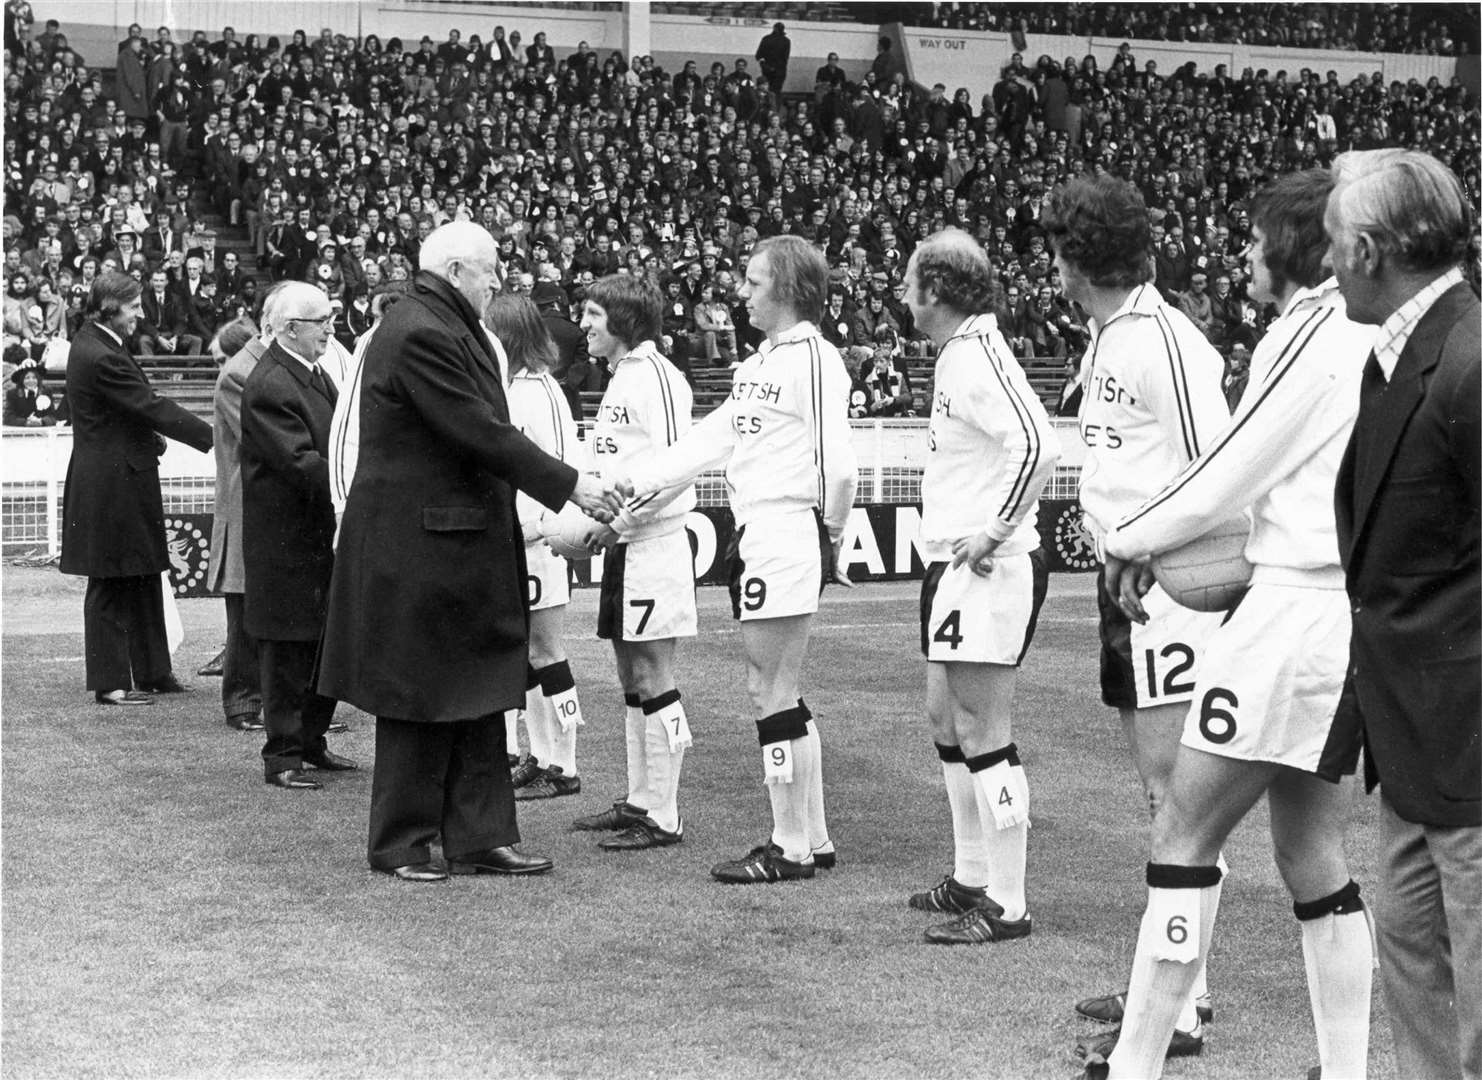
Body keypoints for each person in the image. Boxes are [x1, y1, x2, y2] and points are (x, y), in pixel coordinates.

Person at [1081, 168, 1379, 1079]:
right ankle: (1345, 1069)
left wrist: (1127, 541)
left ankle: (1140, 1059)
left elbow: (1228, 470)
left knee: (1183, 829)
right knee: (1311, 854)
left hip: (1291, 611)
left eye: (1255, 238)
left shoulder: (1309, 327)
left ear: (1296, 245)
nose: (1244, 253)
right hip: (1336, 612)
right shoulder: (1359, 332)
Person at [318, 222, 619, 883]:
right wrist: (574, 486)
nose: (497, 282)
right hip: (425, 542)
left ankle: (479, 835)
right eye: (489, 271)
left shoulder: (443, 323)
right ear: (456, 270)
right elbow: (479, 432)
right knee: (420, 695)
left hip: (453, 540)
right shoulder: (421, 330)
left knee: (477, 690)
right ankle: (400, 842)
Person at [1043, 175, 1232, 1055]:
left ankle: (1180, 1004)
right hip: (1128, 582)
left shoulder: (1168, 342)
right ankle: (1170, 982)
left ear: (1078, 257)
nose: (1049, 265)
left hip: (1170, 590)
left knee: (1176, 794)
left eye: (1055, 249)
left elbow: (1215, 466)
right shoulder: (1110, 335)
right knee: (1159, 791)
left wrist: (1151, 552)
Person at [616, 235, 857, 883]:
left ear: (791, 289)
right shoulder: (761, 365)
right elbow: (708, 439)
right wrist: (633, 483)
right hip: (758, 534)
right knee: (779, 688)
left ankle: (789, 845)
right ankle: (812, 837)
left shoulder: (814, 359)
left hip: (785, 529)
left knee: (767, 687)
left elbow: (840, 463)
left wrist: (828, 534)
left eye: (754, 282)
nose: (741, 293)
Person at [1329, 149, 1480, 1080]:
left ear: (1376, 249)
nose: (1328, 262)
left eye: (1338, 244)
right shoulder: (1400, 360)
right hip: (1417, 753)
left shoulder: (1467, 362)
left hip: (1470, 754)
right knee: (1417, 976)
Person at [901, 229, 1060, 946]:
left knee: (983, 729)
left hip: (988, 566)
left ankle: (1010, 901)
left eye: (909, 283)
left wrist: (995, 530)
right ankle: (971, 875)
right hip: (953, 563)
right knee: (946, 718)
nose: (903, 295)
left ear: (935, 290)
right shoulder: (958, 356)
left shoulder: (975, 356)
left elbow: (1039, 443)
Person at [570, 274, 697, 851]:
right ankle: (640, 800)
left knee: (654, 675)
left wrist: (614, 523)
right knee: (630, 674)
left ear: (622, 318)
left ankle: (665, 815)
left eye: (593, 314)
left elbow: (676, 467)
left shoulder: (658, 377)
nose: (585, 325)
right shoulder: (623, 375)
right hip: (626, 544)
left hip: (654, 545)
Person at [59, 272, 213, 705]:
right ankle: (110, 682)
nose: (141, 314)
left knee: (144, 572)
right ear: (111, 306)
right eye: (134, 306)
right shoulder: (99, 352)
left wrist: (151, 438)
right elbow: (147, 404)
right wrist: (212, 435)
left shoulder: (99, 343)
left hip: (126, 475)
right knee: (110, 578)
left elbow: (126, 412)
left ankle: (153, 672)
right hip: (112, 483)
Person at [239, 282, 356, 790]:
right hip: (287, 543)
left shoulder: (309, 374)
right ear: (290, 328)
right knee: (287, 652)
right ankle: (282, 755)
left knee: (319, 645)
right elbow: (297, 462)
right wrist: (356, 486)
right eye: (322, 321)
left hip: (314, 538)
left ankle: (310, 741)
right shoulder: (270, 384)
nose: (331, 328)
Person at [485, 294, 590, 805]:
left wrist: (543, 524)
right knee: (526, 653)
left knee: (548, 651)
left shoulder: (539, 391)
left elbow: (561, 463)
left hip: (540, 539)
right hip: (515, 537)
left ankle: (565, 765)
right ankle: (539, 755)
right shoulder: (513, 390)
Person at [204, 300, 275, 731]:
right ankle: (242, 703)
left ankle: (275, 701)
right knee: (245, 614)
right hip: (247, 506)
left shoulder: (259, 370)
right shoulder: (237, 377)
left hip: (265, 507)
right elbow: (262, 440)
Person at [755, 22, 790, 97]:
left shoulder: (766, 39)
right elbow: (785, 59)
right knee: (775, 93)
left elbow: (758, 56)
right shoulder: (786, 41)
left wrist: (764, 65)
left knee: (766, 92)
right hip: (779, 71)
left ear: (774, 28)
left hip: (769, 70)